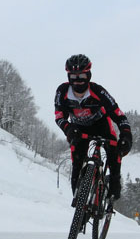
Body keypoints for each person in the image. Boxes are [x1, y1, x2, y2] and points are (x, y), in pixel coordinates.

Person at [54, 54, 132, 206]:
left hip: (101, 124)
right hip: (77, 128)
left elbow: (119, 115)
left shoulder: (98, 91)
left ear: (88, 75)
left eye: (82, 76)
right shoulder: (62, 91)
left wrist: (126, 136)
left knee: (114, 151)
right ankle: (80, 202)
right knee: (76, 162)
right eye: (73, 76)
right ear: (68, 76)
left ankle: (114, 185)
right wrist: (68, 129)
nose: (78, 80)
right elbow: (59, 116)